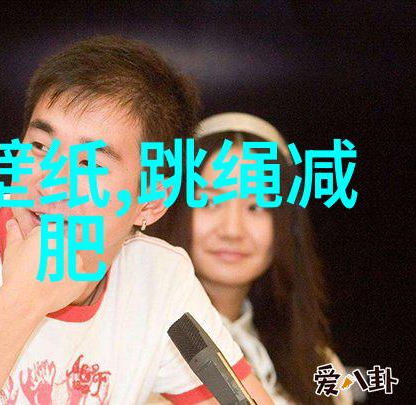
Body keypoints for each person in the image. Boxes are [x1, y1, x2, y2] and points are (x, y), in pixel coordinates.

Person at [0, 37, 272, 404]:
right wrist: (22, 300)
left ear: (152, 201)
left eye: (89, 164)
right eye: (39, 147)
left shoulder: (160, 277)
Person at [149, 112, 352, 404]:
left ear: (286, 224)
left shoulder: (320, 366)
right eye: (209, 201)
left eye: (256, 207)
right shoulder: (138, 344)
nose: (232, 230)